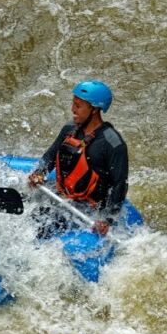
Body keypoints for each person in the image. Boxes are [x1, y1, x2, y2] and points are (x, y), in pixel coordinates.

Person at [28, 81, 128, 237]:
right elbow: (50, 156)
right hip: (62, 192)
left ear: (94, 109)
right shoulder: (70, 129)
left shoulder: (113, 143)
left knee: (43, 223)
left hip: (89, 206)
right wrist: (40, 172)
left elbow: (119, 185)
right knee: (25, 204)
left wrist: (107, 220)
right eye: (73, 104)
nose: (73, 109)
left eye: (78, 106)